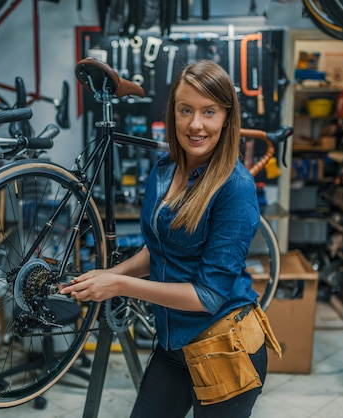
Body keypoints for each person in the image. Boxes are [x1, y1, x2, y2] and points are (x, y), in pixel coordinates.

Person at [60, 59, 280, 418]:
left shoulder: (235, 189)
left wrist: (119, 285)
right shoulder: (164, 171)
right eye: (185, 110)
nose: (196, 124)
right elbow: (160, 250)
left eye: (209, 111)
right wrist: (110, 275)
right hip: (173, 343)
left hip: (225, 345)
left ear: (227, 117)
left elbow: (208, 295)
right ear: (173, 113)